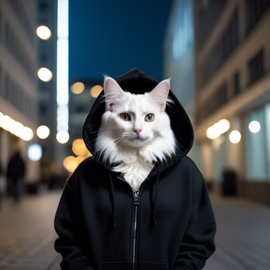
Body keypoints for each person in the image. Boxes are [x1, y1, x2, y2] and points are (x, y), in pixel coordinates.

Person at [54, 69, 216, 270]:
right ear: (109, 110)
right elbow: (69, 237)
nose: (138, 127)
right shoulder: (85, 174)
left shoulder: (187, 174)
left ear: (163, 112)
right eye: (125, 116)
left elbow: (199, 238)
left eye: (149, 117)